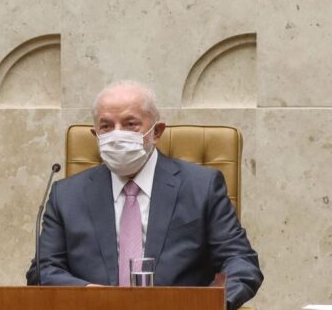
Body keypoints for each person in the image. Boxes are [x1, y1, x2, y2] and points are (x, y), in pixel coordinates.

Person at [26, 81, 262, 310]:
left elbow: (241, 263)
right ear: (95, 134)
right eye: (106, 126)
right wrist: (91, 294)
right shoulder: (65, 195)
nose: (117, 135)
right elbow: (43, 271)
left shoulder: (202, 187)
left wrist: (205, 305)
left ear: (156, 131)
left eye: (130, 124)